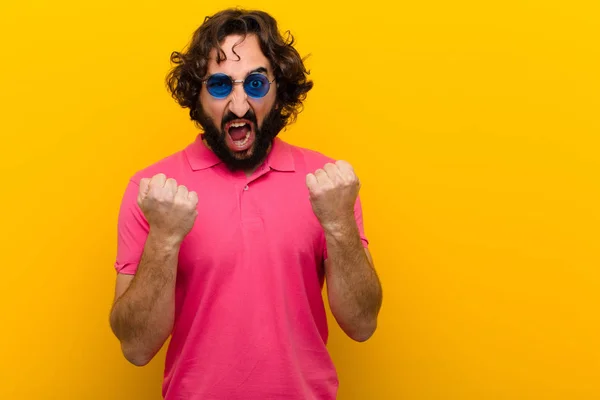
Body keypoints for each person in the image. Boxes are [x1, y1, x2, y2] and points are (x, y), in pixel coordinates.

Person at [109, 7, 383, 399]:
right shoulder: (153, 190)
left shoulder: (327, 185)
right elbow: (135, 348)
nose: (239, 107)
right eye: (220, 86)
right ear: (197, 95)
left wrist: (338, 223)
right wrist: (165, 238)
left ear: (279, 87)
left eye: (255, 84)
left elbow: (363, 324)